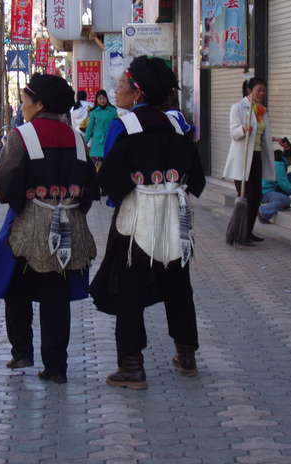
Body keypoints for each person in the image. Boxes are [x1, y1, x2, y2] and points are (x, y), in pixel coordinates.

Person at [90, 56, 206, 390]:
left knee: (128, 290)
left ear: (137, 90)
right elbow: (196, 179)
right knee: (178, 286)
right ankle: (186, 356)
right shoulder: (177, 126)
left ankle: (132, 366)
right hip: (174, 218)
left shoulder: (125, 126)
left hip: (136, 220)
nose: (117, 89)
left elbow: (110, 183)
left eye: (123, 84)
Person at [0, 73, 98, 384]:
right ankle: (56, 366)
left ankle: (22, 351)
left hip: (29, 222)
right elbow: (89, 186)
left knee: (14, 286)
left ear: (39, 103)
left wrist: (18, 199)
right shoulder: (77, 138)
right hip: (69, 222)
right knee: (56, 294)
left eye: (25, 102)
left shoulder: (24, 136)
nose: (23, 107)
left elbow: (2, 181)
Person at [223, 78, 276, 244]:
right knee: (246, 196)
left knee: (256, 196)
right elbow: (233, 132)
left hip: (257, 157)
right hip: (243, 159)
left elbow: (262, 134)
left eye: (263, 90)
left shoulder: (261, 110)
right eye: (259, 90)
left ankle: (248, 231)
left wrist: (276, 140)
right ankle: (240, 233)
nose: (261, 93)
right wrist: (242, 130)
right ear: (249, 90)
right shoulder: (238, 108)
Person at [259, 143, 291, 223]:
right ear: (290, 158)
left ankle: (279, 200)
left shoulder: (280, 161)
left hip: (272, 188)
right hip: (264, 192)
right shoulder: (278, 164)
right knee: (286, 201)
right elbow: (283, 183)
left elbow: (284, 182)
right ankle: (263, 211)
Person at [84, 89, 118, 170]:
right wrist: (84, 142)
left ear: (107, 99)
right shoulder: (93, 112)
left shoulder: (113, 111)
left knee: (109, 166)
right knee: (97, 168)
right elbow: (89, 128)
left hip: (110, 140)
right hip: (97, 143)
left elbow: (116, 126)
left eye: (104, 98)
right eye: (100, 98)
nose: (102, 100)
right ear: (97, 100)